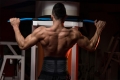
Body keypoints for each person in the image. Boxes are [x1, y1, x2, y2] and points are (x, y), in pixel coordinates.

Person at [10, 2, 106, 80]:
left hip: (46, 75)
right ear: (65, 17)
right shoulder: (73, 34)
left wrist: (15, 26)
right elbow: (91, 46)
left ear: (52, 16)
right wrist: (99, 30)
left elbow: (22, 45)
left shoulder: (42, 32)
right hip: (62, 76)